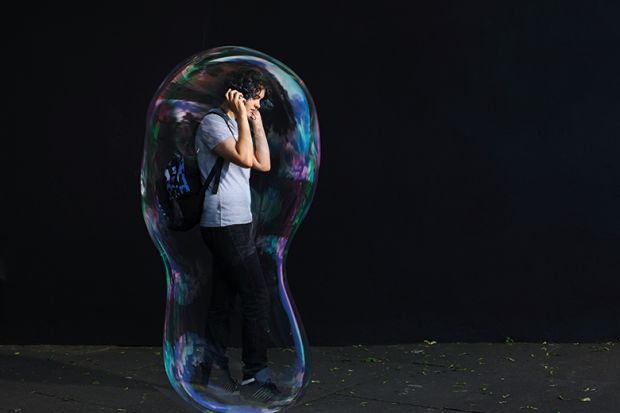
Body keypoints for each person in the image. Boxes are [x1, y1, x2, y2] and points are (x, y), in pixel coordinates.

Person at [193, 67, 286, 404]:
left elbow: (261, 163)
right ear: (237, 95)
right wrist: (241, 117)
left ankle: (211, 368)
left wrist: (253, 119)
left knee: (223, 298)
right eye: (254, 101)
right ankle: (254, 372)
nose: (257, 107)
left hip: (238, 222)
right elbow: (244, 156)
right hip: (222, 222)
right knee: (256, 297)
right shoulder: (213, 123)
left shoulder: (242, 120)